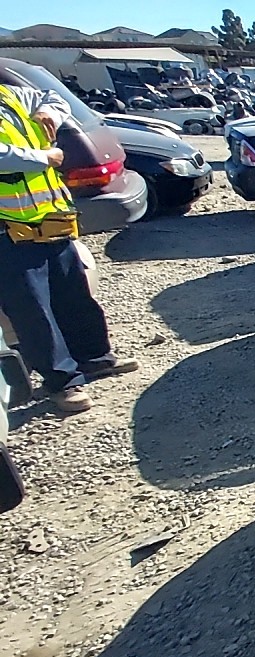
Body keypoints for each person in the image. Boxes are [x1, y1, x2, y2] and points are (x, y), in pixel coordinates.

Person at [0, 83, 137, 413]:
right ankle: (61, 382)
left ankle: (94, 358)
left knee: (74, 294)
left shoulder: (10, 95)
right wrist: (43, 157)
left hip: (50, 220)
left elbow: (53, 97)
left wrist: (50, 112)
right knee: (33, 311)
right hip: (8, 231)